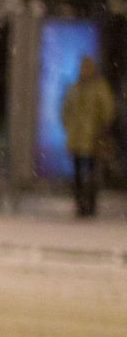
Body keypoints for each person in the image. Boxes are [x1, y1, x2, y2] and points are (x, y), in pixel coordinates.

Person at [60, 56, 116, 218]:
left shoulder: (98, 88)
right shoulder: (74, 88)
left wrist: (101, 128)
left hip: (93, 138)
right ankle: (80, 204)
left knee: (91, 172)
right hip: (77, 138)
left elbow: (107, 110)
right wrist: (69, 126)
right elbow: (65, 110)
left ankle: (89, 204)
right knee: (78, 173)